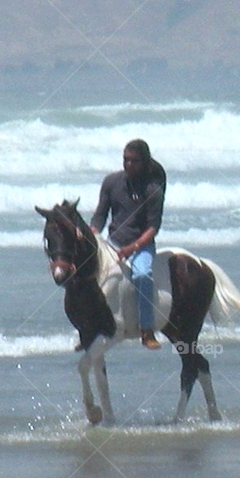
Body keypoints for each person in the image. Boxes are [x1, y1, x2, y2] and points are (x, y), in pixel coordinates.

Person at [90, 139, 166, 350]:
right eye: (125, 160)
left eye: (134, 161)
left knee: (142, 275)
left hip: (141, 246)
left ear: (144, 162)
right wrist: (93, 232)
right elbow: (100, 215)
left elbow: (153, 228)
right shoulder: (111, 182)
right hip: (114, 242)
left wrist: (132, 249)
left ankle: (147, 330)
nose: (128, 164)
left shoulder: (153, 189)